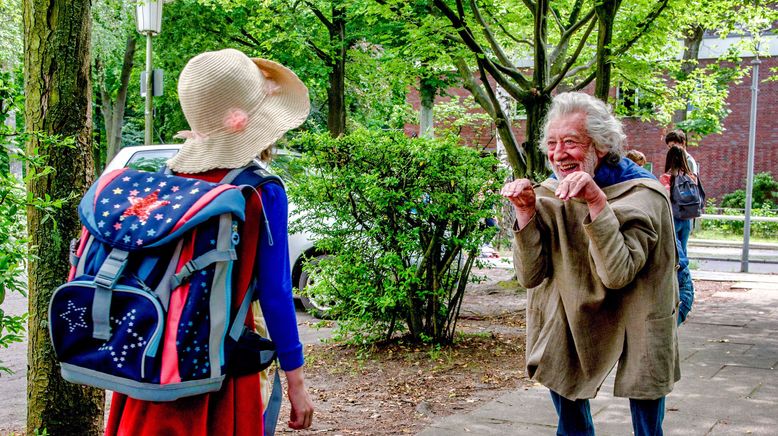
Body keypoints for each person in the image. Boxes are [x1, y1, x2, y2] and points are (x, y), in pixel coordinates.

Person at [105, 48, 314, 435]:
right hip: (220, 370)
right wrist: (297, 384)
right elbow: (275, 295)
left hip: (152, 361)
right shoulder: (260, 191)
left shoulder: (167, 181)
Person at [501, 92, 680, 436]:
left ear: (600, 145)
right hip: (570, 309)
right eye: (552, 144)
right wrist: (525, 212)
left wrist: (596, 200)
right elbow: (529, 275)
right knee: (563, 382)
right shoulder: (549, 194)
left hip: (637, 305)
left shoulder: (642, 194)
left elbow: (618, 274)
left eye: (570, 142)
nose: (558, 154)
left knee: (645, 385)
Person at [661, 145, 700, 324]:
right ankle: (684, 285)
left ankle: (673, 287)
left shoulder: (667, 177)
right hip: (687, 218)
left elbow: (663, 200)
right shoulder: (691, 176)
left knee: (673, 254)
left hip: (673, 217)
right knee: (683, 252)